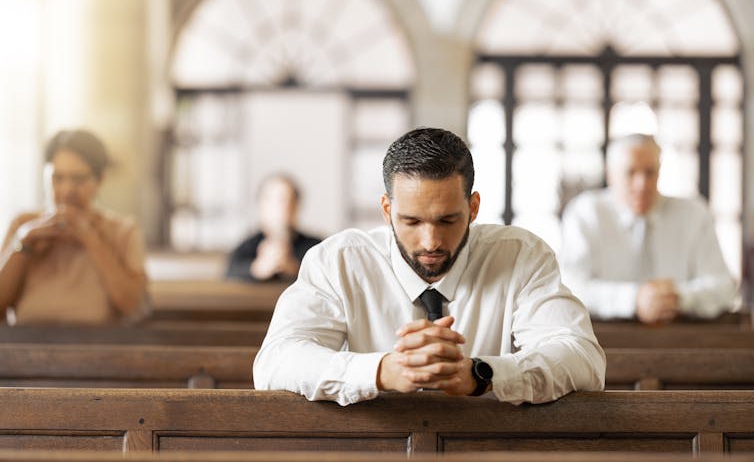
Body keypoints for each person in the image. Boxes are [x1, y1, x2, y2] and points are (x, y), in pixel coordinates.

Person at [253, 127, 605, 406]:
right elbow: (275, 362)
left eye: (448, 220)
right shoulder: (338, 261)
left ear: (474, 208)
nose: (430, 242)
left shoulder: (522, 256)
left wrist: (482, 374)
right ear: (387, 211)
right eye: (411, 221)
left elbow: (582, 357)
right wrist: (380, 371)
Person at [559, 134, 737, 324]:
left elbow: (724, 286)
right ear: (610, 174)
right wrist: (633, 299)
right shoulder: (585, 213)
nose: (642, 184)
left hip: (683, 338)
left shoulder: (694, 214)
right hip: (604, 341)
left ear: (659, 172)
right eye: (631, 172)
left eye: (649, 172)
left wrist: (679, 298)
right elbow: (570, 287)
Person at [0, 129, 148, 325]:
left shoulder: (123, 231)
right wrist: (24, 242)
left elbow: (134, 308)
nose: (67, 190)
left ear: (100, 180)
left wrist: (91, 239)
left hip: (98, 352)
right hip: (26, 351)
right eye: (58, 178)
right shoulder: (24, 226)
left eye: (79, 179)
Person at [226, 174, 321, 282]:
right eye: (273, 200)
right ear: (261, 205)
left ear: (296, 205)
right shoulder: (246, 247)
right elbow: (229, 274)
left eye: (288, 200)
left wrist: (295, 269)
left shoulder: (316, 247)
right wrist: (257, 269)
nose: (282, 207)